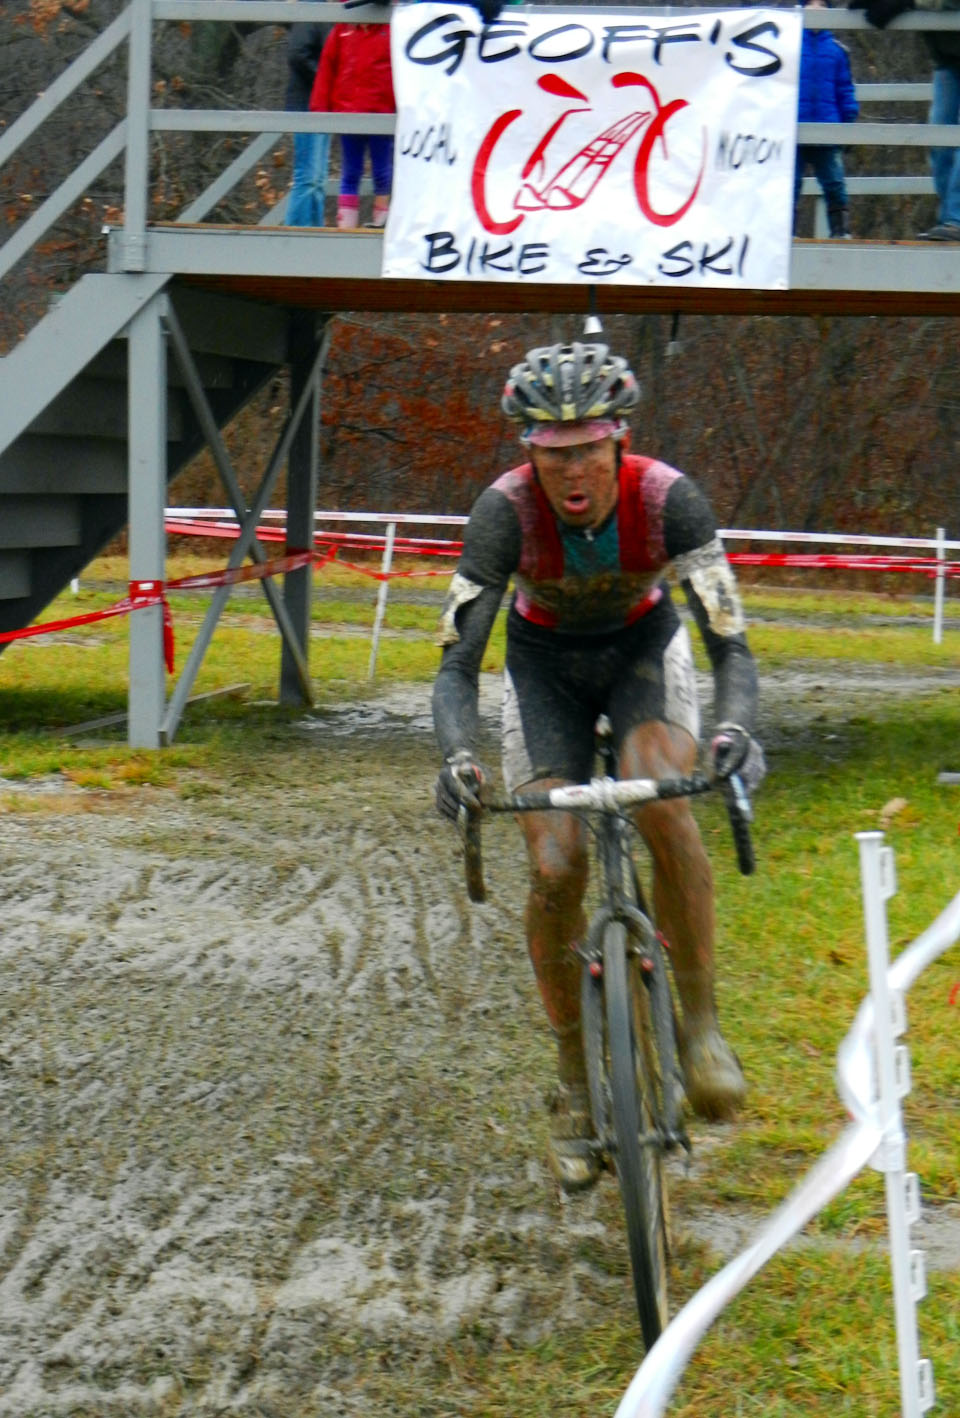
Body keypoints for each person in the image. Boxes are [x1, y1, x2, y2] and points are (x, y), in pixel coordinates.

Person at [432, 340, 765, 1194]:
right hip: (544, 670)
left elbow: (732, 646)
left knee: (665, 802)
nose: (571, 470)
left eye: (586, 448)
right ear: (528, 454)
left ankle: (700, 1029)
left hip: (643, 653)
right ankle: (576, 1083)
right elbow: (456, 668)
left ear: (619, 442)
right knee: (555, 865)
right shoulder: (501, 514)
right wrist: (459, 757)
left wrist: (733, 732)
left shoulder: (669, 500)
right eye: (552, 453)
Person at [849, 0, 960, 240]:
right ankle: (949, 220)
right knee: (939, 142)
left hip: (949, 54)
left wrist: (906, 2)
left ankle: (955, 220)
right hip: (947, 59)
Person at [309, 7, 395, 230]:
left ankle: (381, 226)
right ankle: (346, 229)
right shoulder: (342, 28)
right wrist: (320, 108)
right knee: (350, 170)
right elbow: (327, 66)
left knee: (382, 171)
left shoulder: (392, 27)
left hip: (382, 111)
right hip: (348, 111)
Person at [795, 0, 859, 239]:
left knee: (834, 183)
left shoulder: (836, 50)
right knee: (790, 185)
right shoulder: (790, 47)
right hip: (796, 130)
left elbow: (845, 90)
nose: (816, 11)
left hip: (828, 128)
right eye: (810, 6)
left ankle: (840, 231)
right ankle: (787, 232)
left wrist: (848, 123)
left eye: (821, 6)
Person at [285, 16, 332, 227]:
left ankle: (315, 237)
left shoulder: (330, 12)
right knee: (308, 178)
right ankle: (296, 242)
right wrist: (323, 81)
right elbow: (297, 54)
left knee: (318, 180)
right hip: (307, 103)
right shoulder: (312, 8)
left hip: (321, 104)